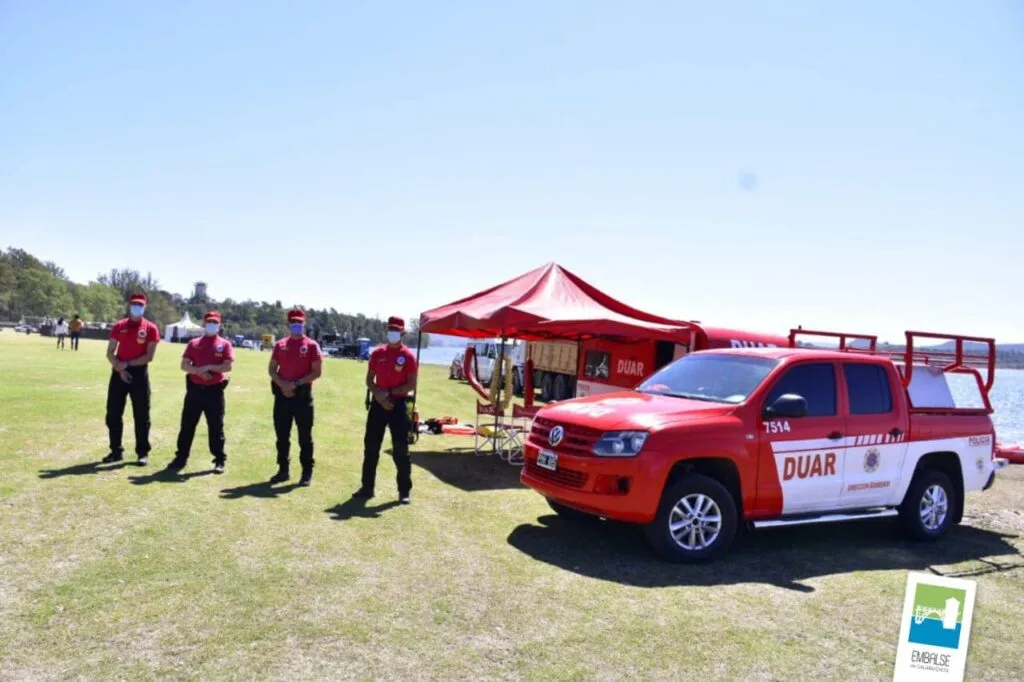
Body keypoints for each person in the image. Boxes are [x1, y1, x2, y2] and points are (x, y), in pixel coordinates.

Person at [355, 316, 418, 503]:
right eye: (391, 329)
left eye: (396, 330)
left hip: (398, 405)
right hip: (378, 405)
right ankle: (367, 488)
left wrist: (389, 393)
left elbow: (411, 384)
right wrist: (378, 394)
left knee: (400, 450)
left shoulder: (408, 356)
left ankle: (404, 491)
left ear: (402, 333)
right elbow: (369, 379)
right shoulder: (377, 353)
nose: (393, 333)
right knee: (371, 448)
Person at [167, 311, 234, 474]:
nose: (212, 325)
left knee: (216, 426)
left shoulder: (224, 344)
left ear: (219, 324)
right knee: (187, 425)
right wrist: (198, 371)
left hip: (214, 391)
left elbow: (227, 366)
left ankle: (219, 459)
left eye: (215, 322)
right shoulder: (194, 343)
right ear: (204, 324)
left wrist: (209, 368)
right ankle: (181, 457)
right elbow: (184, 365)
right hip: (195, 390)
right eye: (209, 322)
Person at [103, 293, 160, 465]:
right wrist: (120, 368)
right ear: (130, 306)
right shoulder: (119, 326)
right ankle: (116, 451)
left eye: (140, 305)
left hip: (139, 373)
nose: (137, 307)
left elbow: (149, 356)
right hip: (118, 372)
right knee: (113, 414)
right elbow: (110, 352)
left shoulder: (151, 328)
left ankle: (142, 453)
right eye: (134, 304)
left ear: (145, 307)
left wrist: (126, 365)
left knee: (141, 414)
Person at [267, 308, 322, 486]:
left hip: (302, 397)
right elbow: (272, 369)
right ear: (288, 324)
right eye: (293, 322)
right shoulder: (280, 345)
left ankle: (307, 472)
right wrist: (283, 384)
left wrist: (295, 384)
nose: (296, 325)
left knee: (305, 437)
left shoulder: (311, 345)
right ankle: (283, 470)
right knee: (282, 436)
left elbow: (316, 372)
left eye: (299, 322)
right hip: (282, 397)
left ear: (304, 324)